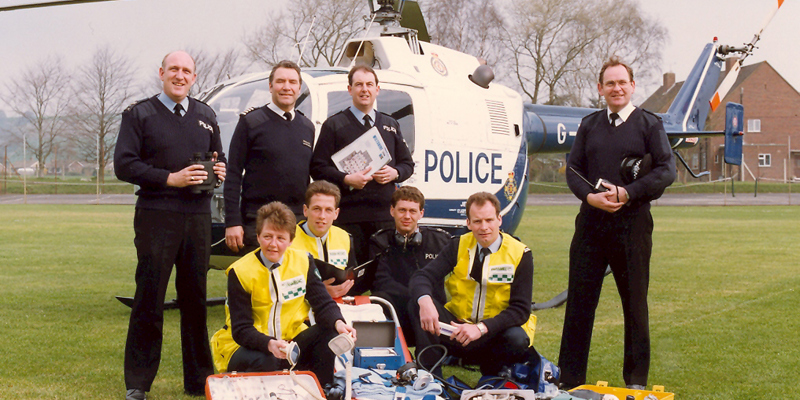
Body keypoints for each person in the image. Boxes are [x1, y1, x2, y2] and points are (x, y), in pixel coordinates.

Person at [557, 56, 676, 390]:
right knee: (579, 304)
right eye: (610, 83)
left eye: (622, 82)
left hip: (632, 227)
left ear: (633, 86)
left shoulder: (649, 124)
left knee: (634, 305)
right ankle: (569, 380)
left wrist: (628, 192)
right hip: (590, 228)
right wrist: (588, 197)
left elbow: (667, 170)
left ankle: (635, 380)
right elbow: (573, 170)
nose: (617, 88)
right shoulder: (590, 124)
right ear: (600, 89)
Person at [114, 50, 227, 400]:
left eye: (187, 71)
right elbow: (124, 165)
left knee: (195, 300)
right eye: (174, 69)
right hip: (156, 214)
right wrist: (169, 178)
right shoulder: (139, 114)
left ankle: (198, 381)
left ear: (195, 78)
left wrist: (219, 171)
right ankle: (138, 382)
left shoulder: (206, 115)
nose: (180, 76)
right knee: (150, 297)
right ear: (161, 73)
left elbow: (217, 158)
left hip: (197, 217)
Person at [210, 202, 357, 387]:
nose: (273, 244)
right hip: (247, 346)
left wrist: (340, 323)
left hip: (291, 342)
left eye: (280, 238)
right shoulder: (239, 272)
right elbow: (241, 330)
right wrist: (270, 344)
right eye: (267, 237)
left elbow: (323, 303)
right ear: (258, 237)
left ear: (290, 240)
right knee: (268, 359)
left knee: (330, 331)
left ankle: (321, 389)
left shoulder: (303, 261)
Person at [409, 192, 536, 376]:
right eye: (477, 221)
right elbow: (422, 276)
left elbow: (521, 310)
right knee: (416, 302)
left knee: (517, 338)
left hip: (492, 332)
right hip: (457, 329)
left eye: (489, 220)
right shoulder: (458, 245)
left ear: (499, 219)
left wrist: (481, 328)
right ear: (468, 223)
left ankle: (493, 375)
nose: (484, 227)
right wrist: (425, 301)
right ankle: (430, 378)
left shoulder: (521, 254)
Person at [310, 64, 415, 270]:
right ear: (350, 89)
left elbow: (407, 165)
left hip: (384, 217)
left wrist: (395, 173)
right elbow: (317, 167)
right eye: (358, 85)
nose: (364, 89)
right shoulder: (334, 124)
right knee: (349, 277)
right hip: (349, 217)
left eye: (369, 84)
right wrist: (346, 179)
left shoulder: (390, 124)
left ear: (378, 89)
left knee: (384, 275)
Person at [225, 60, 315, 253]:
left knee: (294, 282)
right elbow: (232, 174)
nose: (286, 87)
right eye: (280, 81)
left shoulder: (307, 127)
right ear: (270, 86)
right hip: (258, 222)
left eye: (292, 82)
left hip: (296, 223)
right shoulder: (251, 122)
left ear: (299, 88)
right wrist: (232, 222)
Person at [369, 186, 451, 346]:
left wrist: (422, 300)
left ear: (421, 213)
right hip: (396, 310)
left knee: (422, 304)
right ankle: (382, 360)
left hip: (429, 311)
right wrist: (417, 296)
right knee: (379, 300)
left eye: (413, 211)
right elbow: (381, 282)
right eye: (402, 210)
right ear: (392, 211)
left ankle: (428, 367)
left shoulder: (440, 241)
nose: (407, 216)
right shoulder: (380, 241)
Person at [290, 180, 361, 297]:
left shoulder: (344, 237)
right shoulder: (288, 240)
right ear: (305, 210)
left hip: (341, 306)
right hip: (302, 310)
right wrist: (319, 293)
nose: (322, 216)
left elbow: (350, 277)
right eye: (317, 209)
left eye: (328, 210)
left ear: (336, 213)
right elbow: (282, 287)